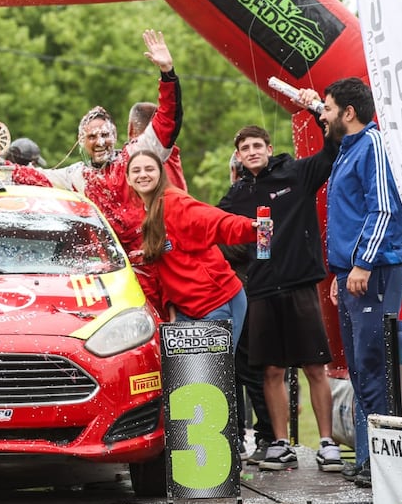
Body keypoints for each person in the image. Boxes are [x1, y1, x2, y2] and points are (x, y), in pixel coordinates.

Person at [0, 29, 182, 260]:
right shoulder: (76, 176)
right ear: (81, 142)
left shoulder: (135, 157)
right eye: (92, 137)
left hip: (159, 255)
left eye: (105, 135)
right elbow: (23, 175)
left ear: (115, 135)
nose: (100, 142)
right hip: (120, 268)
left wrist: (167, 73)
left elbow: (167, 119)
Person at [218, 117, 342, 473]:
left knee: (314, 367)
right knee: (271, 370)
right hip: (260, 289)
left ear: (269, 149)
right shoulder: (238, 193)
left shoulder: (296, 174)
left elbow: (331, 151)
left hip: (299, 284)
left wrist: (324, 118)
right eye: (245, 149)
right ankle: (280, 443)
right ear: (238, 157)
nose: (252, 152)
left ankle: (327, 443)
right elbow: (211, 225)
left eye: (258, 146)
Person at [320, 77, 402, 488]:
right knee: (358, 369)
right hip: (352, 274)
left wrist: (362, 263)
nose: (323, 114)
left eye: (327, 107)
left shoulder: (371, 145)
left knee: (373, 367)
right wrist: (343, 271)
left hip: (374, 272)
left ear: (348, 112)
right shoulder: (347, 149)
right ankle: (370, 458)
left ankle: (384, 465)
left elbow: (383, 210)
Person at [125, 149, 256, 344]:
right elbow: (170, 257)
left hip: (216, 303)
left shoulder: (175, 203)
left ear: (161, 173)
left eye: (149, 169)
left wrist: (249, 227)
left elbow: (213, 221)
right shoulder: (147, 212)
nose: (143, 174)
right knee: (187, 375)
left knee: (211, 374)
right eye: (136, 170)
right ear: (127, 178)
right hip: (185, 311)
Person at [218, 152, 274, 465]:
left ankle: (265, 434)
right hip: (240, 293)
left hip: (253, 291)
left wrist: (221, 243)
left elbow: (260, 247)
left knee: (252, 371)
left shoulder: (262, 201)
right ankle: (238, 435)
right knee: (237, 370)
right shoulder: (232, 199)